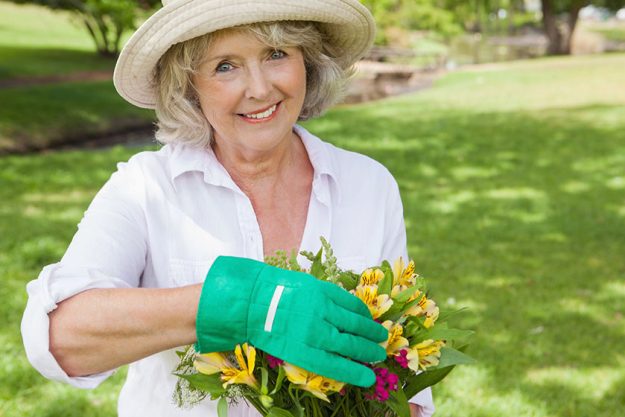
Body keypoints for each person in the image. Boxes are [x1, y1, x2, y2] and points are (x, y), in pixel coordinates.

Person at [21, 1, 435, 416]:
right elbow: (61, 340)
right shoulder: (146, 188)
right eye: (224, 66)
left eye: (277, 54)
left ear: (307, 62)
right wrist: (239, 303)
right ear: (188, 86)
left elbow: (403, 373)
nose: (258, 88)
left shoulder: (369, 184)